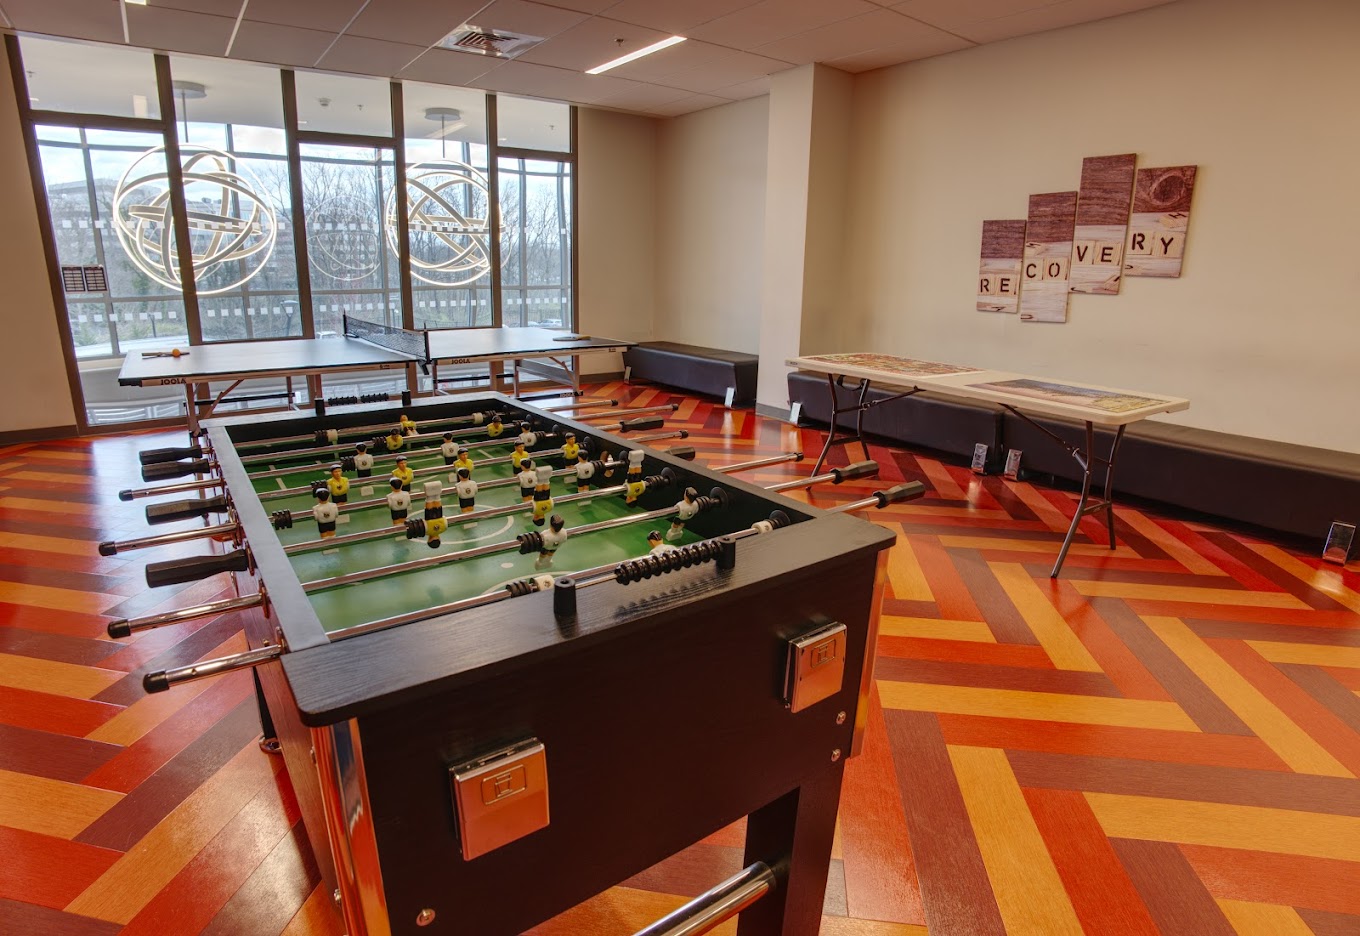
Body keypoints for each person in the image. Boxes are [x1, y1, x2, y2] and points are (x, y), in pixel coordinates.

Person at [420, 479, 447, 548]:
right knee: (429, 505)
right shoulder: (427, 532)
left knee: (437, 506)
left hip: (439, 516)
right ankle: (430, 496)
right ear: (429, 540)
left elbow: (445, 520)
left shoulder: (443, 529)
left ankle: (437, 495)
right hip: (429, 519)